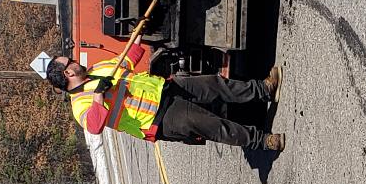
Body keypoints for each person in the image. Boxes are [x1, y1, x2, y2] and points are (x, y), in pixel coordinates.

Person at [32, 50, 286, 153]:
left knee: (216, 84)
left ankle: (263, 89)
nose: (75, 60)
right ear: (68, 73)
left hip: (167, 88)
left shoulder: (99, 67)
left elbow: (129, 56)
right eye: (70, 62)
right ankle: (263, 141)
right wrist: (99, 95)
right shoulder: (81, 105)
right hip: (160, 119)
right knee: (214, 125)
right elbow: (94, 126)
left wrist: (144, 25)